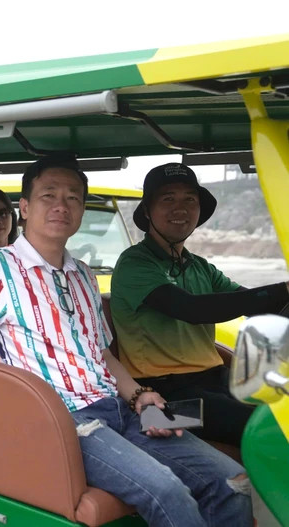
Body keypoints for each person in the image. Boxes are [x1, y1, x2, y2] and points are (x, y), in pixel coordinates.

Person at [0, 155, 252, 527]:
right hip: (64, 421)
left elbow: (100, 352)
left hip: (123, 410)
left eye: (72, 198)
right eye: (48, 195)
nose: (61, 206)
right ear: (26, 208)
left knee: (233, 481)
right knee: (168, 490)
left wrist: (139, 395)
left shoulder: (83, 274)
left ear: (81, 211)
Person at [110, 162, 289, 446]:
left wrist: (282, 298)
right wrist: (282, 290)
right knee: (270, 429)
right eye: (168, 199)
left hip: (216, 380)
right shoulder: (135, 263)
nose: (180, 208)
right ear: (147, 211)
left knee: (282, 408)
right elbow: (191, 309)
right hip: (163, 399)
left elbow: (251, 302)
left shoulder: (199, 266)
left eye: (189, 200)